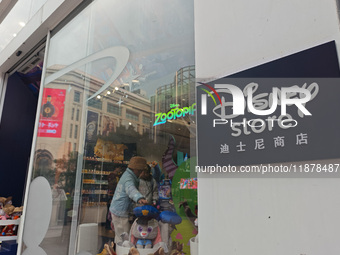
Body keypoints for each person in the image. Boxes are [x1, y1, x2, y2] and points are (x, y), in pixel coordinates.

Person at [109, 156, 148, 244]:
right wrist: (139, 198)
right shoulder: (129, 178)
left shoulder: (128, 175)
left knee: (120, 235)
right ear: (137, 170)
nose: (142, 173)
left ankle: (117, 251)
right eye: (141, 171)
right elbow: (131, 189)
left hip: (118, 210)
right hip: (120, 212)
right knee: (124, 237)